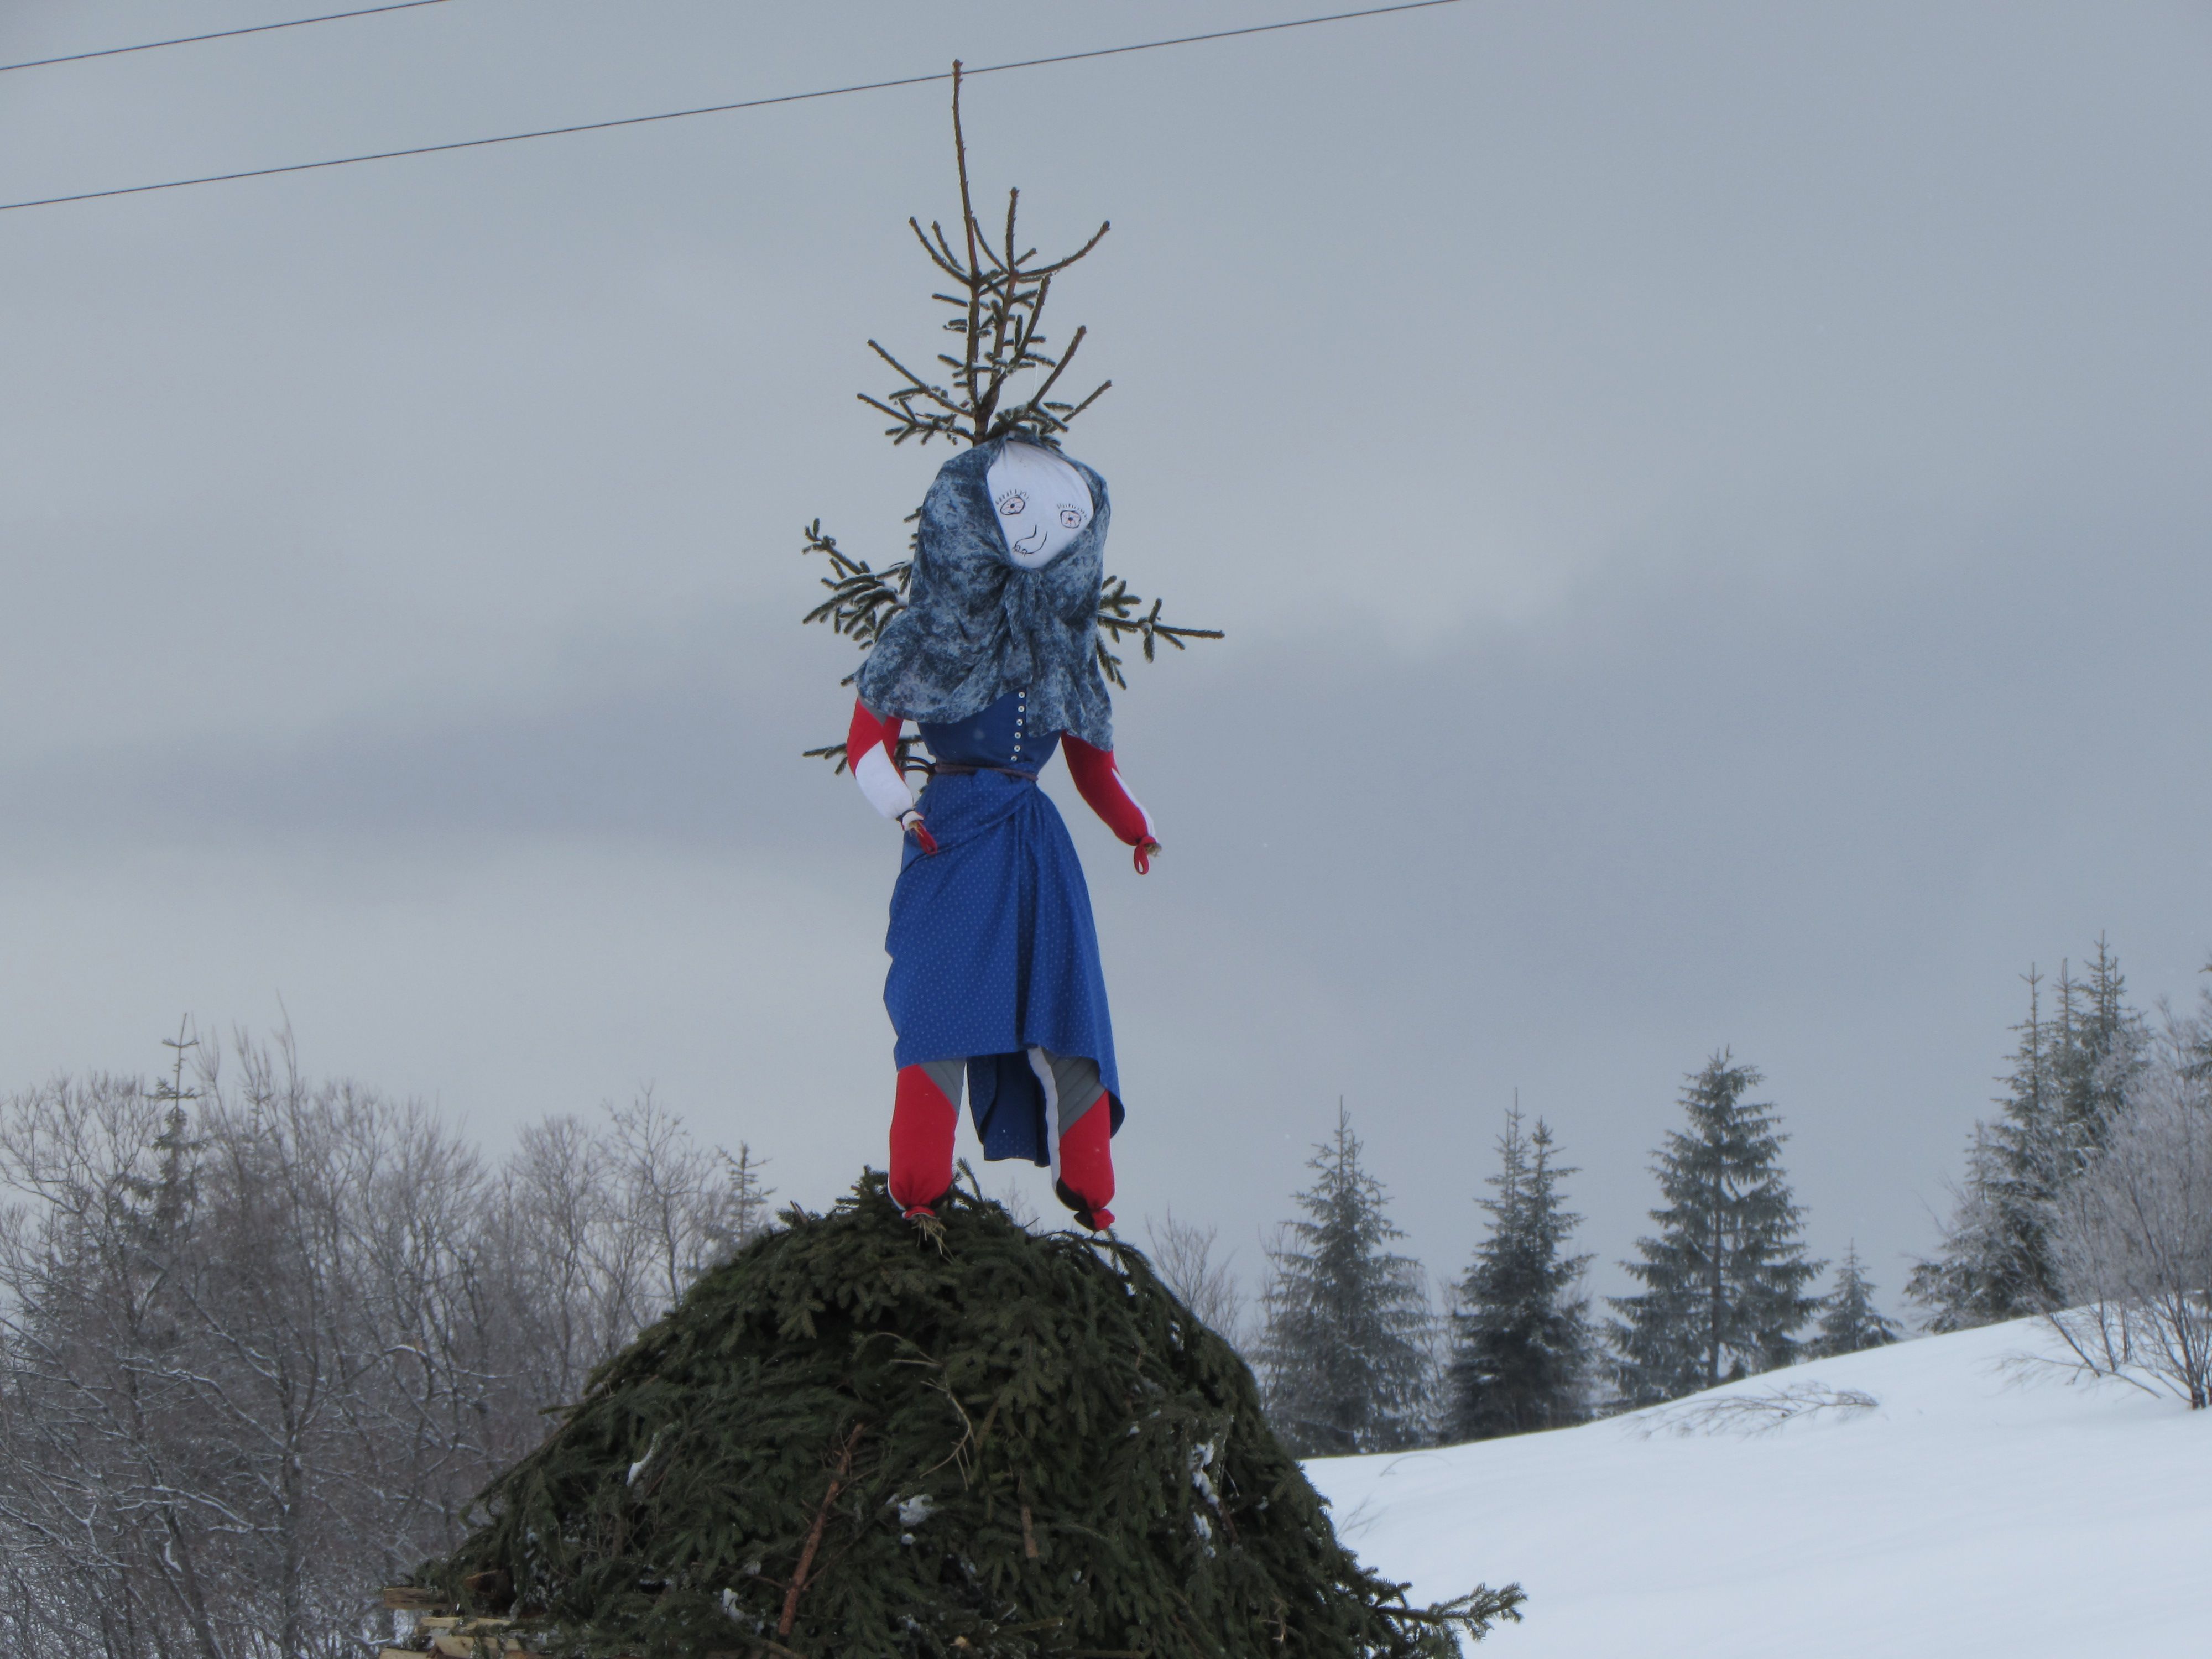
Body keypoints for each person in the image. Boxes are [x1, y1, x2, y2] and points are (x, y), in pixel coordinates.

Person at [845, 433, 1158, 1229]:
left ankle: (1089, 1187)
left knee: (1065, 997)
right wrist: (902, 806)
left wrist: (1135, 828)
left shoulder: (1064, 652)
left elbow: (1095, 767)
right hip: (948, 832)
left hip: (1033, 840)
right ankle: (920, 1187)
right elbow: (867, 746)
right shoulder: (926, 635)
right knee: (936, 1002)